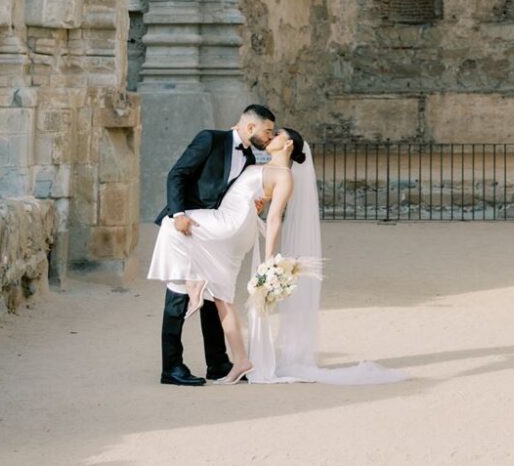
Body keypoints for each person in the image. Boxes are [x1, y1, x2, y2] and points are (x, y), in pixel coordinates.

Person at [245, 128, 407, 387]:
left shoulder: (285, 176)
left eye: (276, 134)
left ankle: (254, 360)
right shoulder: (264, 168)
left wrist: (268, 259)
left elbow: (275, 218)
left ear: (287, 145)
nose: (270, 136)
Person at [151, 105, 276, 386]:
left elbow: (228, 194)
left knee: (212, 295)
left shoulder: (247, 156)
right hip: (185, 227)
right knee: (178, 297)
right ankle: (171, 367)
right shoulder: (210, 139)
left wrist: (251, 203)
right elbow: (177, 174)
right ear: (251, 127)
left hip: (211, 234)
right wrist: (178, 214)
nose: (269, 138)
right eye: (267, 131)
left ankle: (217, 364)